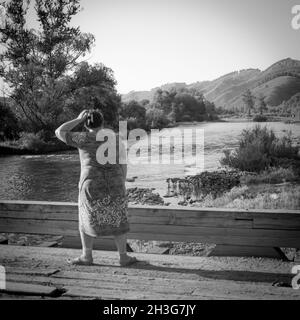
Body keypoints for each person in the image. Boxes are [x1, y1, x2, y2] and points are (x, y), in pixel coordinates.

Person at [55, 109, 137, 266]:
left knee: (86, 217)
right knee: (118, 218)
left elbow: (59, 131)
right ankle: (123, 257)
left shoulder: (82, 137)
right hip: (115, 182)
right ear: (103, 123)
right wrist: (121, 182)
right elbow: (123, 163)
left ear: (86, 125)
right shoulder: (116, 139)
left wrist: (78, 119)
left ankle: (87, 256)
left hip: (90, 184)